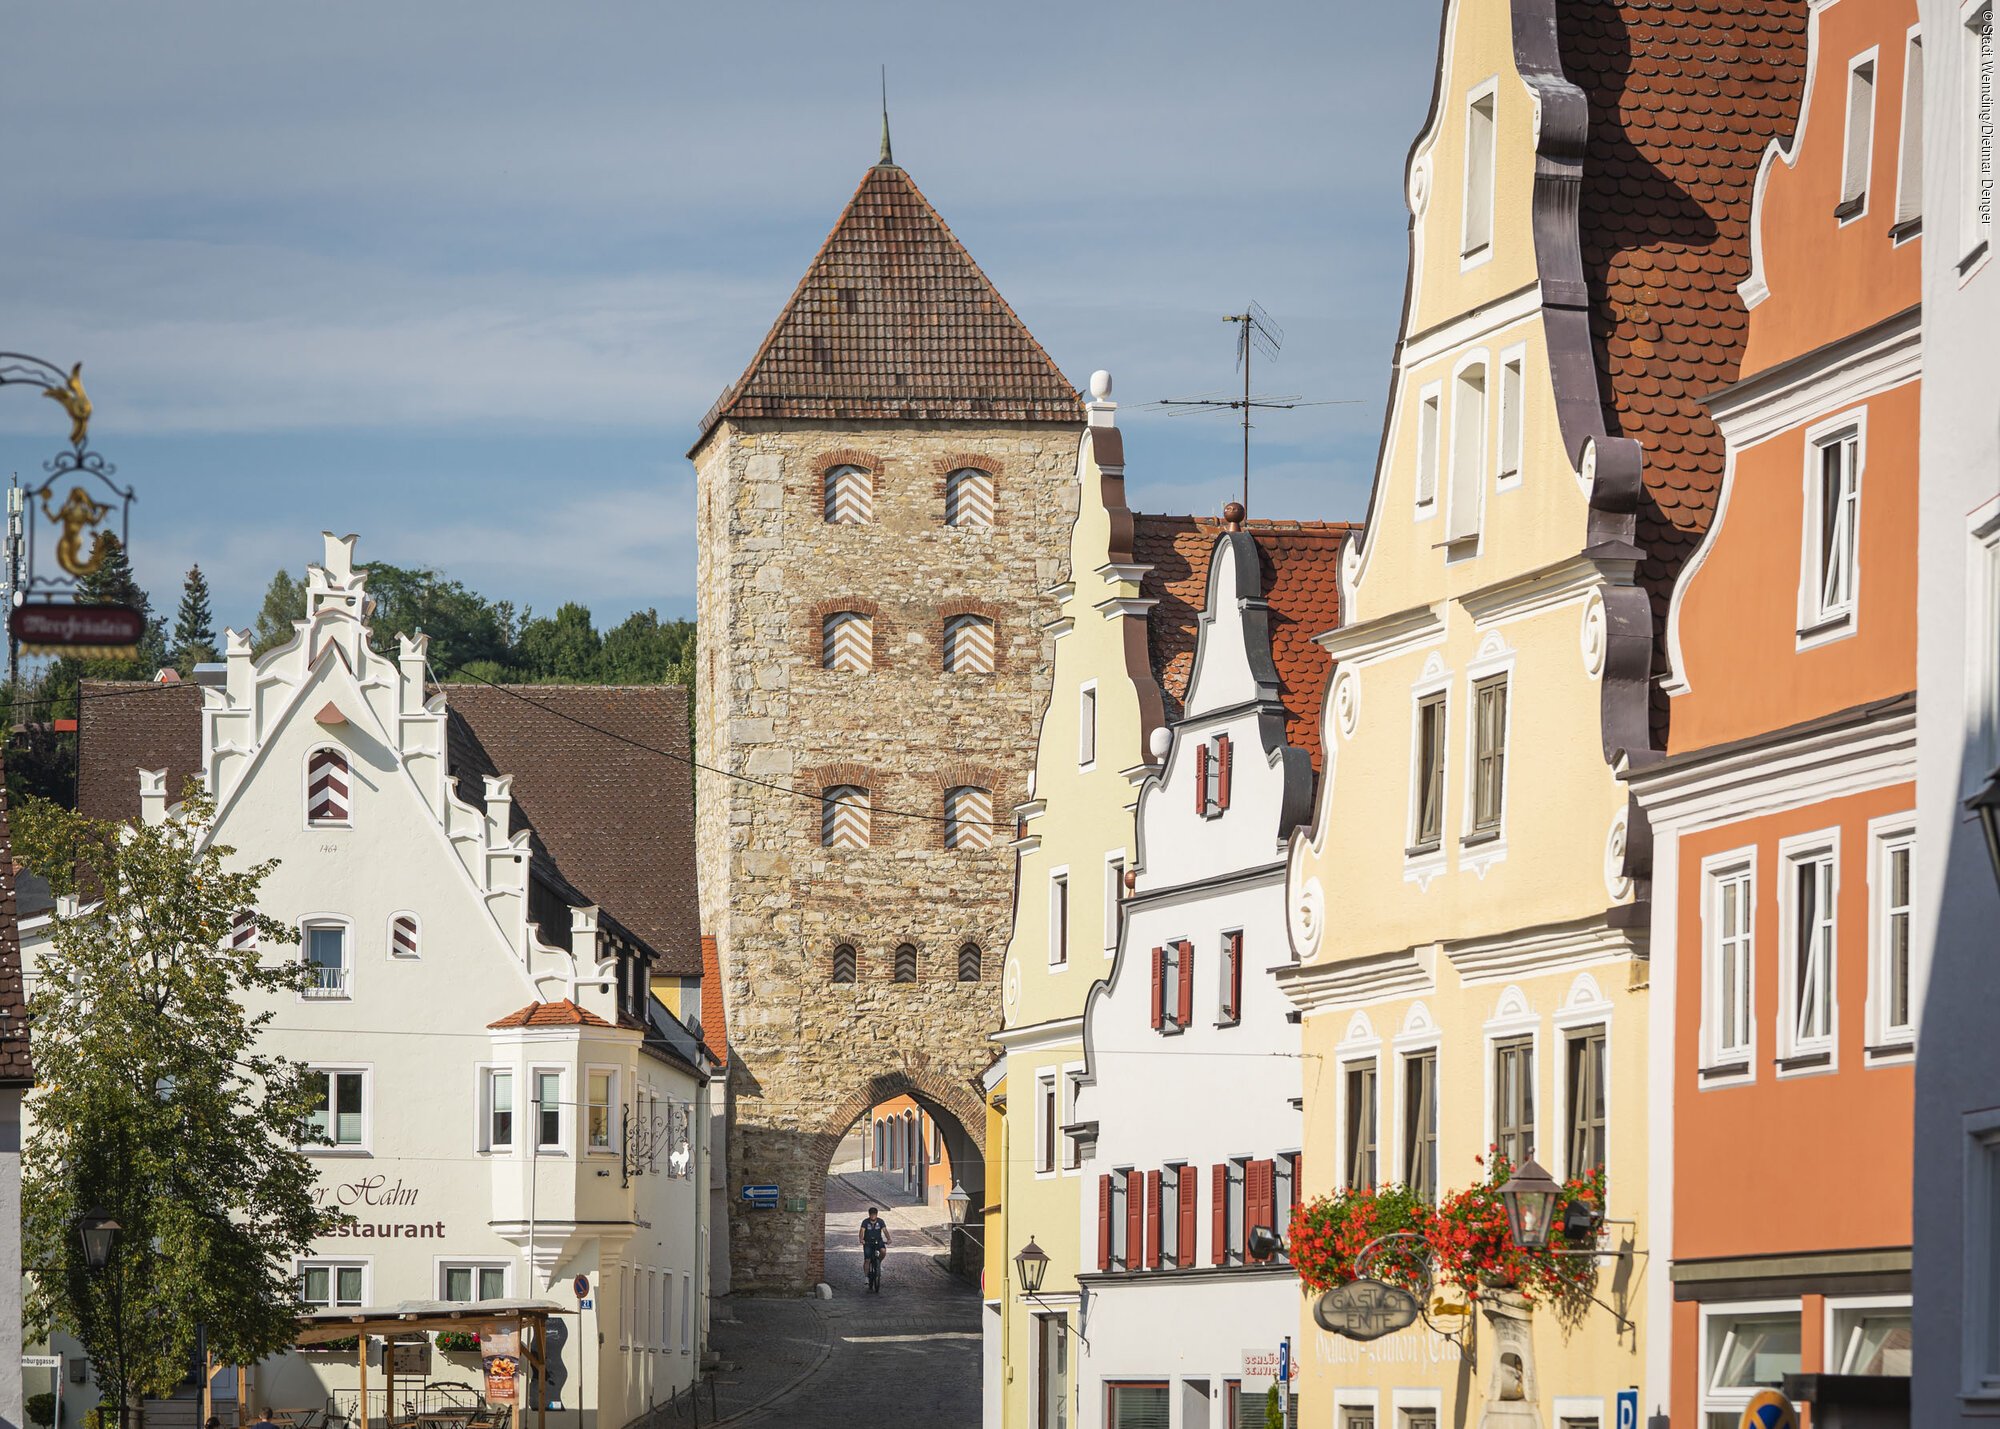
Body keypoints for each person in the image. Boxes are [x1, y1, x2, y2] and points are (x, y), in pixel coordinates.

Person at [858, 1206, 890, 1292]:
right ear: (869, 1215)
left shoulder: (880, 1221)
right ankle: (866, 1277)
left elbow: (885, 1231)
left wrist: (889, 1239)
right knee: (867, 1260)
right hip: (868, 1242)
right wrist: (861, 1239)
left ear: (876, 1215)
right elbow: (862, 1231)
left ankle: (878, 1264)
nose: (873, 1216)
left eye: (874, 1215)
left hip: (878, 1241)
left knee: (883, 1251)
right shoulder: (865, 1222)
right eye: (871, 1215)